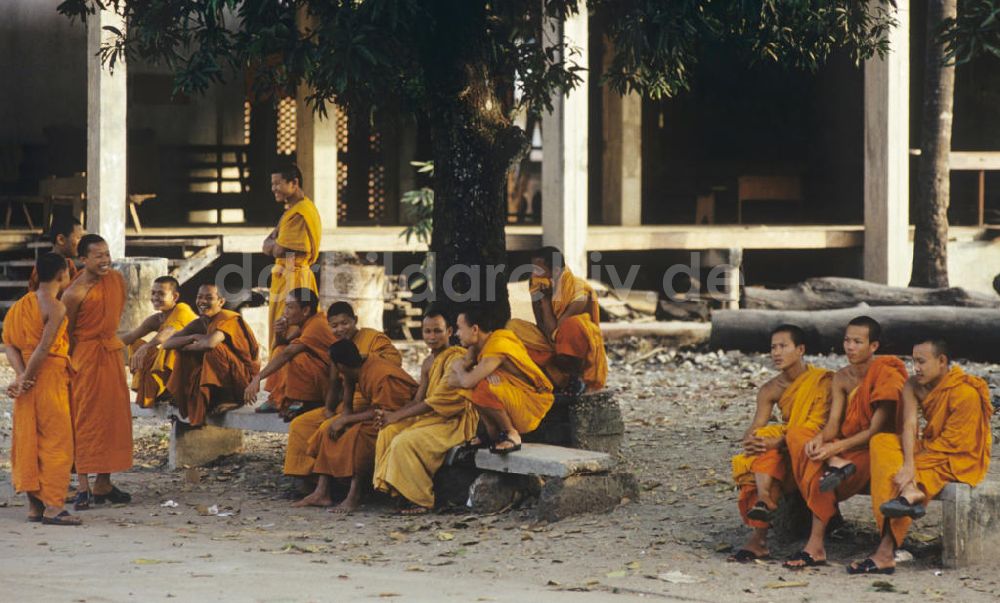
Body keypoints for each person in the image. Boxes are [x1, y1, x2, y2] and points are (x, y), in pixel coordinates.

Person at [849, 339, 993, 575]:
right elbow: (908, 426)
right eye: (913, 361)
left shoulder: (965, 391)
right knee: (882, 441)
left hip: (958, 458)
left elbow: (955, 445)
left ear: (942, 361)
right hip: (929, 446)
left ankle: (885, 553)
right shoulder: (913, 385)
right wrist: (907, 464)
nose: (915, 367)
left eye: (921, 362)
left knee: (903, 476)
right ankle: (909, 491)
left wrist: (911, 469)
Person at [783, 316, 907, 569]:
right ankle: (834, 464)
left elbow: (877, 429)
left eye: (857, 342)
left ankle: (814, 546)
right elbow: (833, 425)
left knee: (818, 471)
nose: (849, 347)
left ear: (873, 346)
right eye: (847, 340)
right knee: (797, 435)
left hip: (874, 448)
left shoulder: (886, 373)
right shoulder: (841, 377)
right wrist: (820, 441)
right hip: (843, 449)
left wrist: (836, 447)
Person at [728, 325, 832, 563]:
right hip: (784, 444)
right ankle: (762, 511)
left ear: (800, 349)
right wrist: (752, 440)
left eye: (783, 346)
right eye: (773, 347)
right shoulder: (770, 389)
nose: (776, 352)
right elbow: (756, 426)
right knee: (762, 452)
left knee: (774, 449)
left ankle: (759, 538)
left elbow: (824, 424)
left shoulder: (823, 380)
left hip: (814, 443)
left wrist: (780, 440)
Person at [372, 307, 478, 514]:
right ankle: (400, 494)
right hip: (431, 417)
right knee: (388, 432)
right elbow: (419, 400)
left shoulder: (457, 358)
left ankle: (421, 499)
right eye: (427, 331)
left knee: (405, 441)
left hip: (453, 421)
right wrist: (389, 417)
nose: (431, 337)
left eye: (437, 331)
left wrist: (396, 416)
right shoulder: (428, 362)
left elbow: (439, 400)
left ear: (449, 331)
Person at [282, 301, 401, 482]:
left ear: (355, 320)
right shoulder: (336, 347)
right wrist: (329, 410)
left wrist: (362, 359)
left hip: (369, 403)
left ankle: (329, 484)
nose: (340, 329)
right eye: (335, 326)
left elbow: (394, 363)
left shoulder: (372, 338)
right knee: (300, 424)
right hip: (344, 405)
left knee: (327, 428)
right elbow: (334, 384)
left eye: (345, 323)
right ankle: (308, 478)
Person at [296, 339, 418, 512]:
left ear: (340, 366)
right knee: (328, 428)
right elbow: (348, 391)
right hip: (377, 413)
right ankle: (321, 491)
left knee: (358, 437)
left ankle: (354, 495)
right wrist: (343, 417)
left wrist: (347, 420)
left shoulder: (382, 374)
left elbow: (386, 409)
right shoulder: (356, 366)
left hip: (400, 416)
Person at [3, 253, 80, 525]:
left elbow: (9, 344)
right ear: (62, 275)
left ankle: (35, 506)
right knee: (56, 441)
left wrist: (22, 375)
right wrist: (27, 378)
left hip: (28, 377)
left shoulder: (21, 304)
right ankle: (54, 508)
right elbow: (44, 348)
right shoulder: (56, 307)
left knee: (29, 439)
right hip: (46, 378)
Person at [62, 234, 133, 510]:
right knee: (85, 419)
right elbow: (65, 334)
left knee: (112, 417)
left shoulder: (116, 280)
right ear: (83, 259)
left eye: (107, 254)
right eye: (98, 256)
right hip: (85, 358)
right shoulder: (74, 291)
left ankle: (103, 482)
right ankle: (83, 485)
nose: (105, 260)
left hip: (111, 354)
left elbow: (114, 314)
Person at [450, 304, 554, 454]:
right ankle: (491, 432)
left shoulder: (497, 346)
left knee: (481, 386)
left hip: (531, 403)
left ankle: (511, 433)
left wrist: (460, 368)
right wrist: (470, 371)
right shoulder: (477, 347)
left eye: (460, 328)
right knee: (475, 386)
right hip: (512, 396)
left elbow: (465, 380)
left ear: (474, 329)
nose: (457, 334)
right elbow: (451, 381)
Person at [506, 246, 606, 393]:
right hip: (550, 339)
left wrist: (546, 302)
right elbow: (540, 323)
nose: (534, 273)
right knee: (513, 327)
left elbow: (558, 331)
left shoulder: (579, 293)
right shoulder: (537, 283)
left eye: (538, 270)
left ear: (556, 271)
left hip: (572, 346)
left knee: (573, 325)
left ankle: (573, 377)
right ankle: (552, 373)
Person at [163, 284, 260, 426]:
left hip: (242, 383)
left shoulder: (228, 318)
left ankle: (231, 400)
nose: (202, 302)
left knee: (214, 350)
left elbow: (210, 343)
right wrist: (193, 337)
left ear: (221, 302)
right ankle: (190, 397)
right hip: (222, 377)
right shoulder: (199, 323)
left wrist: (191, 344)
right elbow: (167, 344)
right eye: (199, 297)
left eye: (209, 298)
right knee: (181, 350)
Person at [244, 288, 336, 418]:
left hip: (330, 382)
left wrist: (257, 378)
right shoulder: (307, 322)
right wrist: (278, 334)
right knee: (279, 350)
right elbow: (282, 345)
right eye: (286, 307)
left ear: (305, 310)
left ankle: (303, 400)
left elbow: (288, 353)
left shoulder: (317, 325)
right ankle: (277, 399)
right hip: (318, 376)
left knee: (297, 358)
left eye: (290, 307)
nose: (285, 312)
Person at [263, 164, 321, 352]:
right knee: (279, 328)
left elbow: (278, 249)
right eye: (272, 184)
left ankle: (289, 375)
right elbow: (266, 245)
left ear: (294, 183)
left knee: (291, 329)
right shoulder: (291, 211)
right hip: (284, 276)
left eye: (277, 184)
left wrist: (274, 243)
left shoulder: (302, 212)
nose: (273, 189)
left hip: (294, 279)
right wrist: (274, 244)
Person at [121, 276, 198, 408]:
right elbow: (131, 336)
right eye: (153, 293)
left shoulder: (182, 309)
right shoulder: (156, 319)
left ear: (174, 297)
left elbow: (169, 332)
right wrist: (103, 346)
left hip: (196, 365)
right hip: (181, 365)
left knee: (170, 346)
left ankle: (172, 390)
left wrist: (147, 346)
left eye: (161, 293)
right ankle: (157, 391)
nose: (155, 297)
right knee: (136, 344)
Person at [28, 216, 83, 291]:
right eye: (78, 238)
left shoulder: (70, 265)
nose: (81, 243)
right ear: (61, 239)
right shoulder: (43, 265)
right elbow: (34, 296)